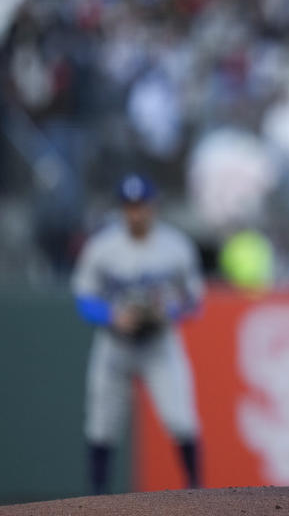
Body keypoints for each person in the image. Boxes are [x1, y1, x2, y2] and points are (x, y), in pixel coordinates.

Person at [72, 173, 203, 494]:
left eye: (141, 205)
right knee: (101, 426)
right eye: (130, 206)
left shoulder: (175, 246)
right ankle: (96, 500)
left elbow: (195, 300)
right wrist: (110, 316)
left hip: (160, 343)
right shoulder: (103, 247)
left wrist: (168, 312)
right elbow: (83, 298)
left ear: (153, 206)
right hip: (116, 345)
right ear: (122, 208)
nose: (136, 212)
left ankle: (198, 493)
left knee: (182, 420)